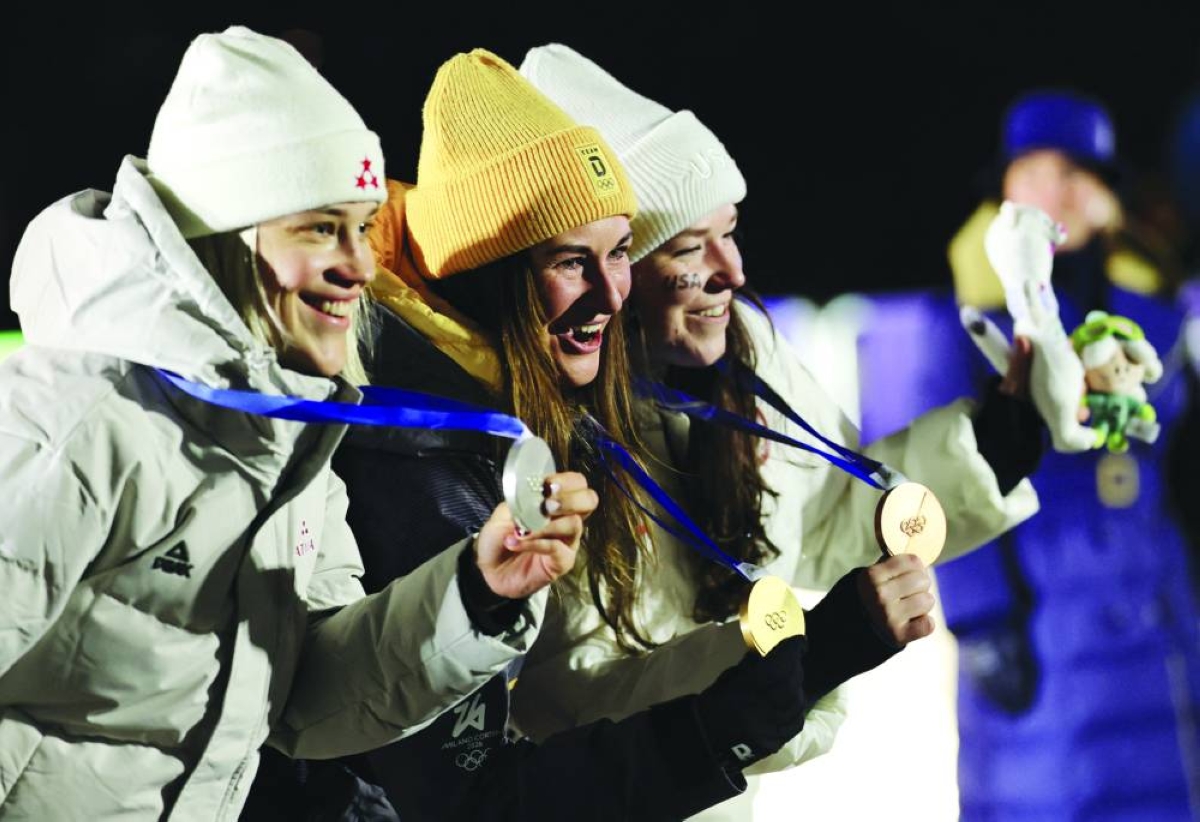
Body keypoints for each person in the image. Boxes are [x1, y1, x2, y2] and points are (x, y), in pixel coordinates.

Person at [0, 28, 586, 820]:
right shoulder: (73, 419)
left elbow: (307, 701)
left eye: (365, 225)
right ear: (227, 241)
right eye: (320, 227)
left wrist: (476, 592)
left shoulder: (289, 437)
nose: (362, 266)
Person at [516, 44, 1047, 820]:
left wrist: (990, 446)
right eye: (690, 249)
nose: (732, 270)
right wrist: (796, 655)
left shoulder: (744, 353)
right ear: (615, 276)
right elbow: (572, 700)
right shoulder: (549, 437)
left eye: (730, 232)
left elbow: (826, 512)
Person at [940, 89, 1200, 819]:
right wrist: (982, 618)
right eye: (1036, 171)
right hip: (1044, 620)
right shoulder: (961, 325)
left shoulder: (1156, 318)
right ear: (1003, 195)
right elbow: (931, 485)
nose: (1059, 191)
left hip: (1158, 614)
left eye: (1081, 172)